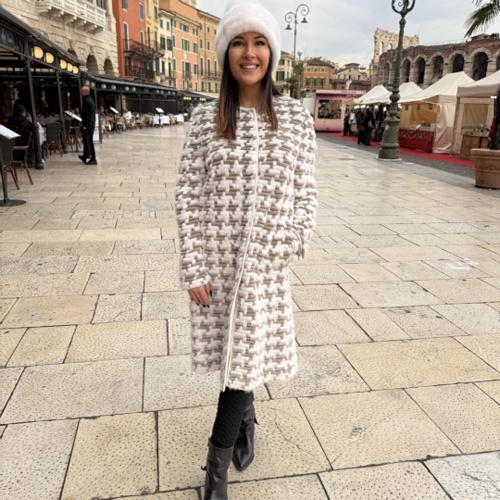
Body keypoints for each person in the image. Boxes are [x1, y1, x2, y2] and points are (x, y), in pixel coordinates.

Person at [175, 1, 317, 498]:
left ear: (272, 52)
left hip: (265, 268)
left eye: (259, 42)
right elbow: (188, 194)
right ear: (226, 53)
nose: (249, 53)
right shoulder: (205, 119)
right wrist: (193, 266)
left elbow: (306, 193)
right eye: (238, 42)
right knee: (239, 357)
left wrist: (290, 240)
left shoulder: (295, 118)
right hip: (217, 266)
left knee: (239, 363)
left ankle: (214, 471)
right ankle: (247, 421)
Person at [79, 86, 97, 165]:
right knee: (87, 140)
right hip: (90, 123)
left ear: (85, 92)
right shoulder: (90, 99)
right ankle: (85, 156)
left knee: (89, 140)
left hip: (88, 124)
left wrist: (83, 125)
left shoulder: (86, 101)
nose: (80, 93)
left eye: (81, 91)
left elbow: (85, 114)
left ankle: (93, 159)